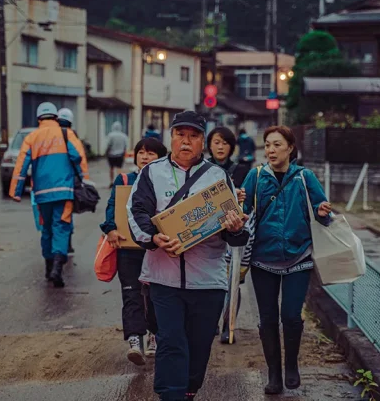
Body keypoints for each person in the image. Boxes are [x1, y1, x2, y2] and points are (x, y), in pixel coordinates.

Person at [127, 110, 249, 401]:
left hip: (208, 279)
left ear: (202, 143)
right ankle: (171, 395)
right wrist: (154, 237)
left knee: (199, 344)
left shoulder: (218, 177)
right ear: (171, 137)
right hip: (163, 279)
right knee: (170, 341)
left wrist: (234, 227)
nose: (186, 141)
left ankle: (189, 391)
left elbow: (234, 231)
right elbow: (137, 212)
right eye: (180, 134)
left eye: (193, 136)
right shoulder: (151, 173)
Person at [241, 126, 333, 394]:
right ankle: (273, 374)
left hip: (298, 257)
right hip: (262, 259)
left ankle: (291, 364)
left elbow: (322, 213)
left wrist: (323, 211)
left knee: (291, 316)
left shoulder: (304, 177)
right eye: (267, 144)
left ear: (290, 148)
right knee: (267, 318)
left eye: (277, 144)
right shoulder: (255, 176)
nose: (270, 150)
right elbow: (242, 214)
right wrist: (237, 204)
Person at [100, 137, 168, 366]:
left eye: (151, 153)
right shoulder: (125, 179)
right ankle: (134, 340)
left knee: (155, 295)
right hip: (128, 249)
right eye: (141, 153)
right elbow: (112, 206)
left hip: (156, 250)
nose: (145, 157)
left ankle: (154, 335)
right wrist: (110, 229)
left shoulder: (167, 183)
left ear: (161, 158)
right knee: (131, 294)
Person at [9, 102, 88, 288]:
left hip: (42, 193)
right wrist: (85, 181)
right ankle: (58, 267)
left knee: (46, 230)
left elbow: (21, 165)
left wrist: (16, 191)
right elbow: (79, 157)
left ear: (38, 119)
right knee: (61, 227)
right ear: (55, 117)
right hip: (64, 191)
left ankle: (48, 266)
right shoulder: (66, 134)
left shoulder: (32, 137)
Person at [206, 127, 251, 344]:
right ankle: (211, 321)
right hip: (208, 233)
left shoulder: (242, 170)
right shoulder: (201, 169)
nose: (220, 146)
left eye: (224, 143)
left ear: (231, 146)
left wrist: (242, 195)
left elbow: (249, 203)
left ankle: (228, 324)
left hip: (234, 231)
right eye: (216, 142)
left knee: (234, 279)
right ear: (209, 145)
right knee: (210, 280)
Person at [55, 107, 89, 255]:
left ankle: (54, 248)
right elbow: (80, 161)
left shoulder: (50, 136)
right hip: (69, 183)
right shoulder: (72, 137)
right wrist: (84, 181)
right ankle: (66, 244)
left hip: (49, 183)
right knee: (66, 214)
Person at [105, 121, 130, 187]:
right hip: (120, 155)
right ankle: (119, 182)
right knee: (120, 169)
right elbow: (126, 146)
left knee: (111, 168)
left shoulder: (110, 135)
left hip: (111, 155)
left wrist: (106, 152)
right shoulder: (124, 136)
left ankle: (111, 182)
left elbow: (108, 145)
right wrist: (124, 153)